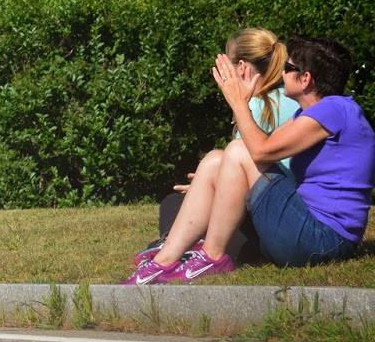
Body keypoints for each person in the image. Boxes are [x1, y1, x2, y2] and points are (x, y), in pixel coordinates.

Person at [129, 35, 375, 282]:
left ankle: (211, 257)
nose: (281, 73)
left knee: (237, 151)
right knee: (217, 159)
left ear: (305, 78)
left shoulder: (334, 109)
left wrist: (238, 103)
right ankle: (165, 261)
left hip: (322, 240)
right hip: (305, 229)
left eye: (288, 68)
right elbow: (262, 147)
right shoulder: (313, 112)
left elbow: (258, 151)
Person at [130, 27, 300, 281]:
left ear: (241, 67)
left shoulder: (257, 105)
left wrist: (209, 187)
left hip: (265, 213)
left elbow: (246, 165)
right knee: (181, 198)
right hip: (282, 200)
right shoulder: (291, 100)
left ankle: (175, 248)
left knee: (173, 204)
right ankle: (173, 248)